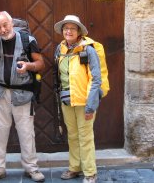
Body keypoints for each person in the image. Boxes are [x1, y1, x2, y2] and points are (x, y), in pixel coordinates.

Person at [0, 11, 46, 183]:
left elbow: (41, 64)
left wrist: (29, 66)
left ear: (11, 23)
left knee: (26, 133)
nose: (2, 29)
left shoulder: (27, 40)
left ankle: (32, 168)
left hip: (22, 94)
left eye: (5, 25)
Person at [53, 15, 102, 183]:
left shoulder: (88, 50)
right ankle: (75, 167)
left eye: (72, 28)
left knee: (85, 137)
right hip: (67, 101)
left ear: (79, 31)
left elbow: (96, 79)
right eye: (66, 28)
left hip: (84, 102)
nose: (68, 31)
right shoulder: (60, 50)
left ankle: (90, 172)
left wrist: (91, 105)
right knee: (72, 136)